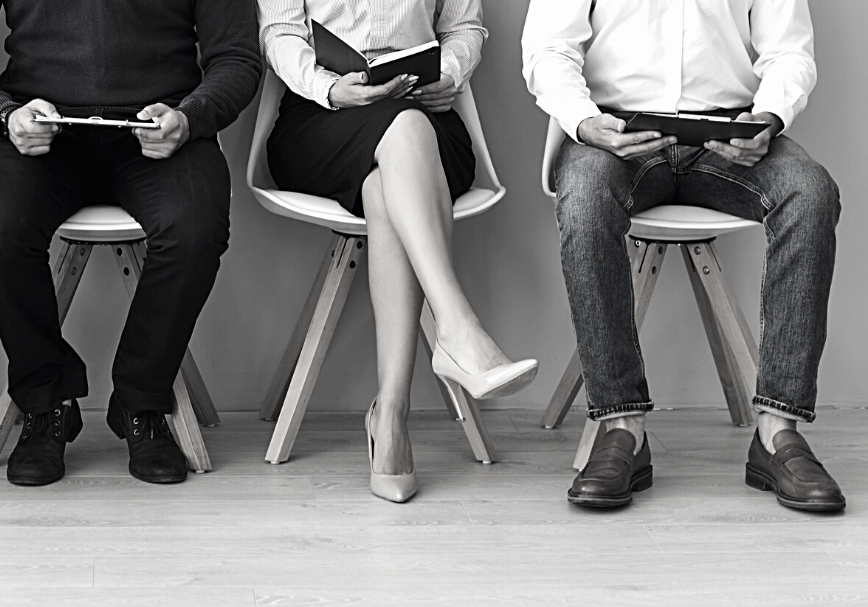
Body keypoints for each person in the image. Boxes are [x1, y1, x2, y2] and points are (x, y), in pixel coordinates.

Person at [523, 0, 844, 511]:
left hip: (728, 135)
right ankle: (620, 425)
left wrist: (769, 116)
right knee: (583, 202)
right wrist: (585, 122)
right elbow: (548, 49)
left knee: (811, 195)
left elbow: (789, 52)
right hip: (617, 134)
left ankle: (777, 433)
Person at [0, 0, 261, 487]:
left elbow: (237, 57)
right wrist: (3, 116)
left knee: (195, 229)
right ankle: (46, 403)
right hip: (41, 129)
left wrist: (190, 117)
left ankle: (141, 401)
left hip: (162, 127)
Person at [259, 0, 539, 503]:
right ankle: (456, 329)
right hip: (323, 119)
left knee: (385, 178)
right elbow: (279, 32)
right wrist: (328, 87)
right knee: (397, 143)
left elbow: (465, 28)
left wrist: (449, 73)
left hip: (426, 123)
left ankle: (390, 415)